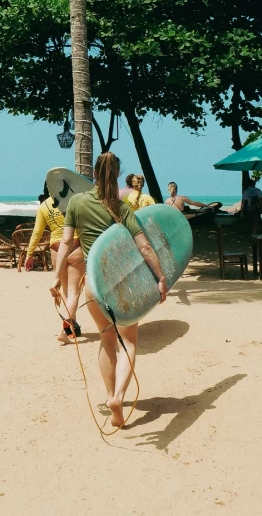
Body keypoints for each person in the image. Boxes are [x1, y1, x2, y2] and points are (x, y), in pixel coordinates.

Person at [52, 152, 167, 429]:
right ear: (117, 175)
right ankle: (118, 397)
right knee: (128, 342)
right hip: (123, 283)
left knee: (107, 340)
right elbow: (145, 246)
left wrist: (57, 276)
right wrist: (161, 277)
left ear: (93, 173)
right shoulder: (122, 208)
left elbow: (66, 243)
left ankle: (109, 395)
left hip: (94, 285)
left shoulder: (76, 203)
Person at [25, 185, 85, 344]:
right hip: (76, 246)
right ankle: (64, 331)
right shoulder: (73, 201)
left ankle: (71, 329)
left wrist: (29, 254)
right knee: (74, 292)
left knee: (66, 293)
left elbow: (37, 232)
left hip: (56, 250)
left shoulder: (43, 206)